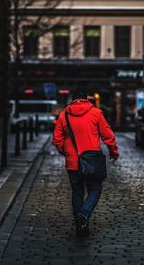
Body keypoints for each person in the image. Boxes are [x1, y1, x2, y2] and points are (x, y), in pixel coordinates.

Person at [52, 92, 119, 237]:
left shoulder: (64, 115)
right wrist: (113, 152)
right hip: (92, 161)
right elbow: (108, 135)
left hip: (73, 162)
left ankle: (80, 227)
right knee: (95, 189)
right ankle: (84, 214)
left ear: (73, 100)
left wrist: (66, 152)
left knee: (77, 192)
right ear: (87, 99)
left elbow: (57, 139)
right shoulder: (96, 113)